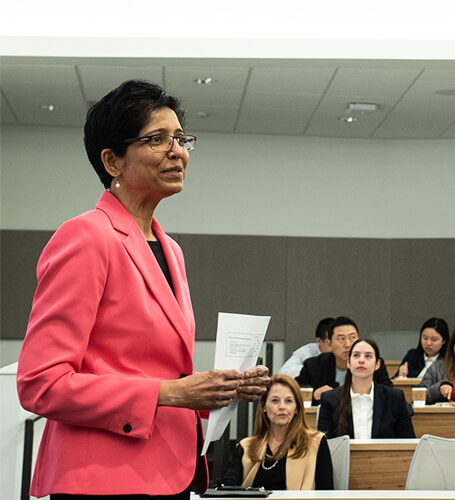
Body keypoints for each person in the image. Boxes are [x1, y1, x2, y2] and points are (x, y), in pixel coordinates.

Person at [15, 80, 271, 500]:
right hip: (103, 480)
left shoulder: (170, 249)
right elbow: (41, 383)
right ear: (112, 161)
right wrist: (174, 392)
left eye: (180, 138)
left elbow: (158, 371)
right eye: (157, 139)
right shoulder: (85, 237)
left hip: (170, 475)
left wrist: (221, 388)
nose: (178, 151)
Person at [222, 375, 334, 489]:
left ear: (296, 408)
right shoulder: (246, 446)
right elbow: (228, 486)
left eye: (288, 401)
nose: (282, 406)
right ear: (264, 406)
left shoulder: (316, 442)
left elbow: (326, 493)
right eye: (275, 400)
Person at [318, 339, 415, 438]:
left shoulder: (395, 398)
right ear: (348, 363)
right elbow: (323, 445)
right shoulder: (330, 399)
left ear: (377, 364)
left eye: (368, 356)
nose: (361, 360)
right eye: (356, 355)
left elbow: (408, 441)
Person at [296, 316, 392, 405]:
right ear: (329, 344)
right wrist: (313, 395)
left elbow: (388, 394)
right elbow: (296, 394)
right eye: (341, 339)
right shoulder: (313, 366)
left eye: (352, 337)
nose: (348, 344)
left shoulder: (372, 363)